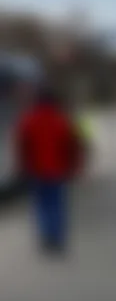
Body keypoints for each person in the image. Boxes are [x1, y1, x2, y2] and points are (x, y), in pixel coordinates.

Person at [12, 86, 84, 254]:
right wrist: (74, 166)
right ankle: (57, 238)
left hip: (36, 170)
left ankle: (47, 238)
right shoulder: (62, 119)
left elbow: (22, 145)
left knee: (41, 205)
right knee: (57, 204)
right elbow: (73, 145)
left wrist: (22, 167)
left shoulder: (29, 119)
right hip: (59, 170)